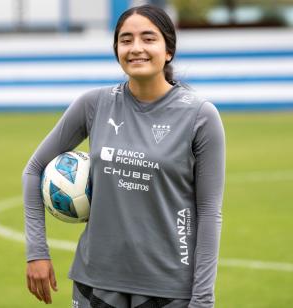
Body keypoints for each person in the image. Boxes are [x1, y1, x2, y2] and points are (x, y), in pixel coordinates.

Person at [23, 4, 225, 308]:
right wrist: (37, 252)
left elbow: (209, 211)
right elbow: (34, 169)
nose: (136, 48)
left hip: (168, 288)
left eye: (148, 38)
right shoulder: (94, 104)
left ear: (168, 50)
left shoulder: (200, 115)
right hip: (96, 283)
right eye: (126, 40)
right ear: (116, 48)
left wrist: (203, 300)